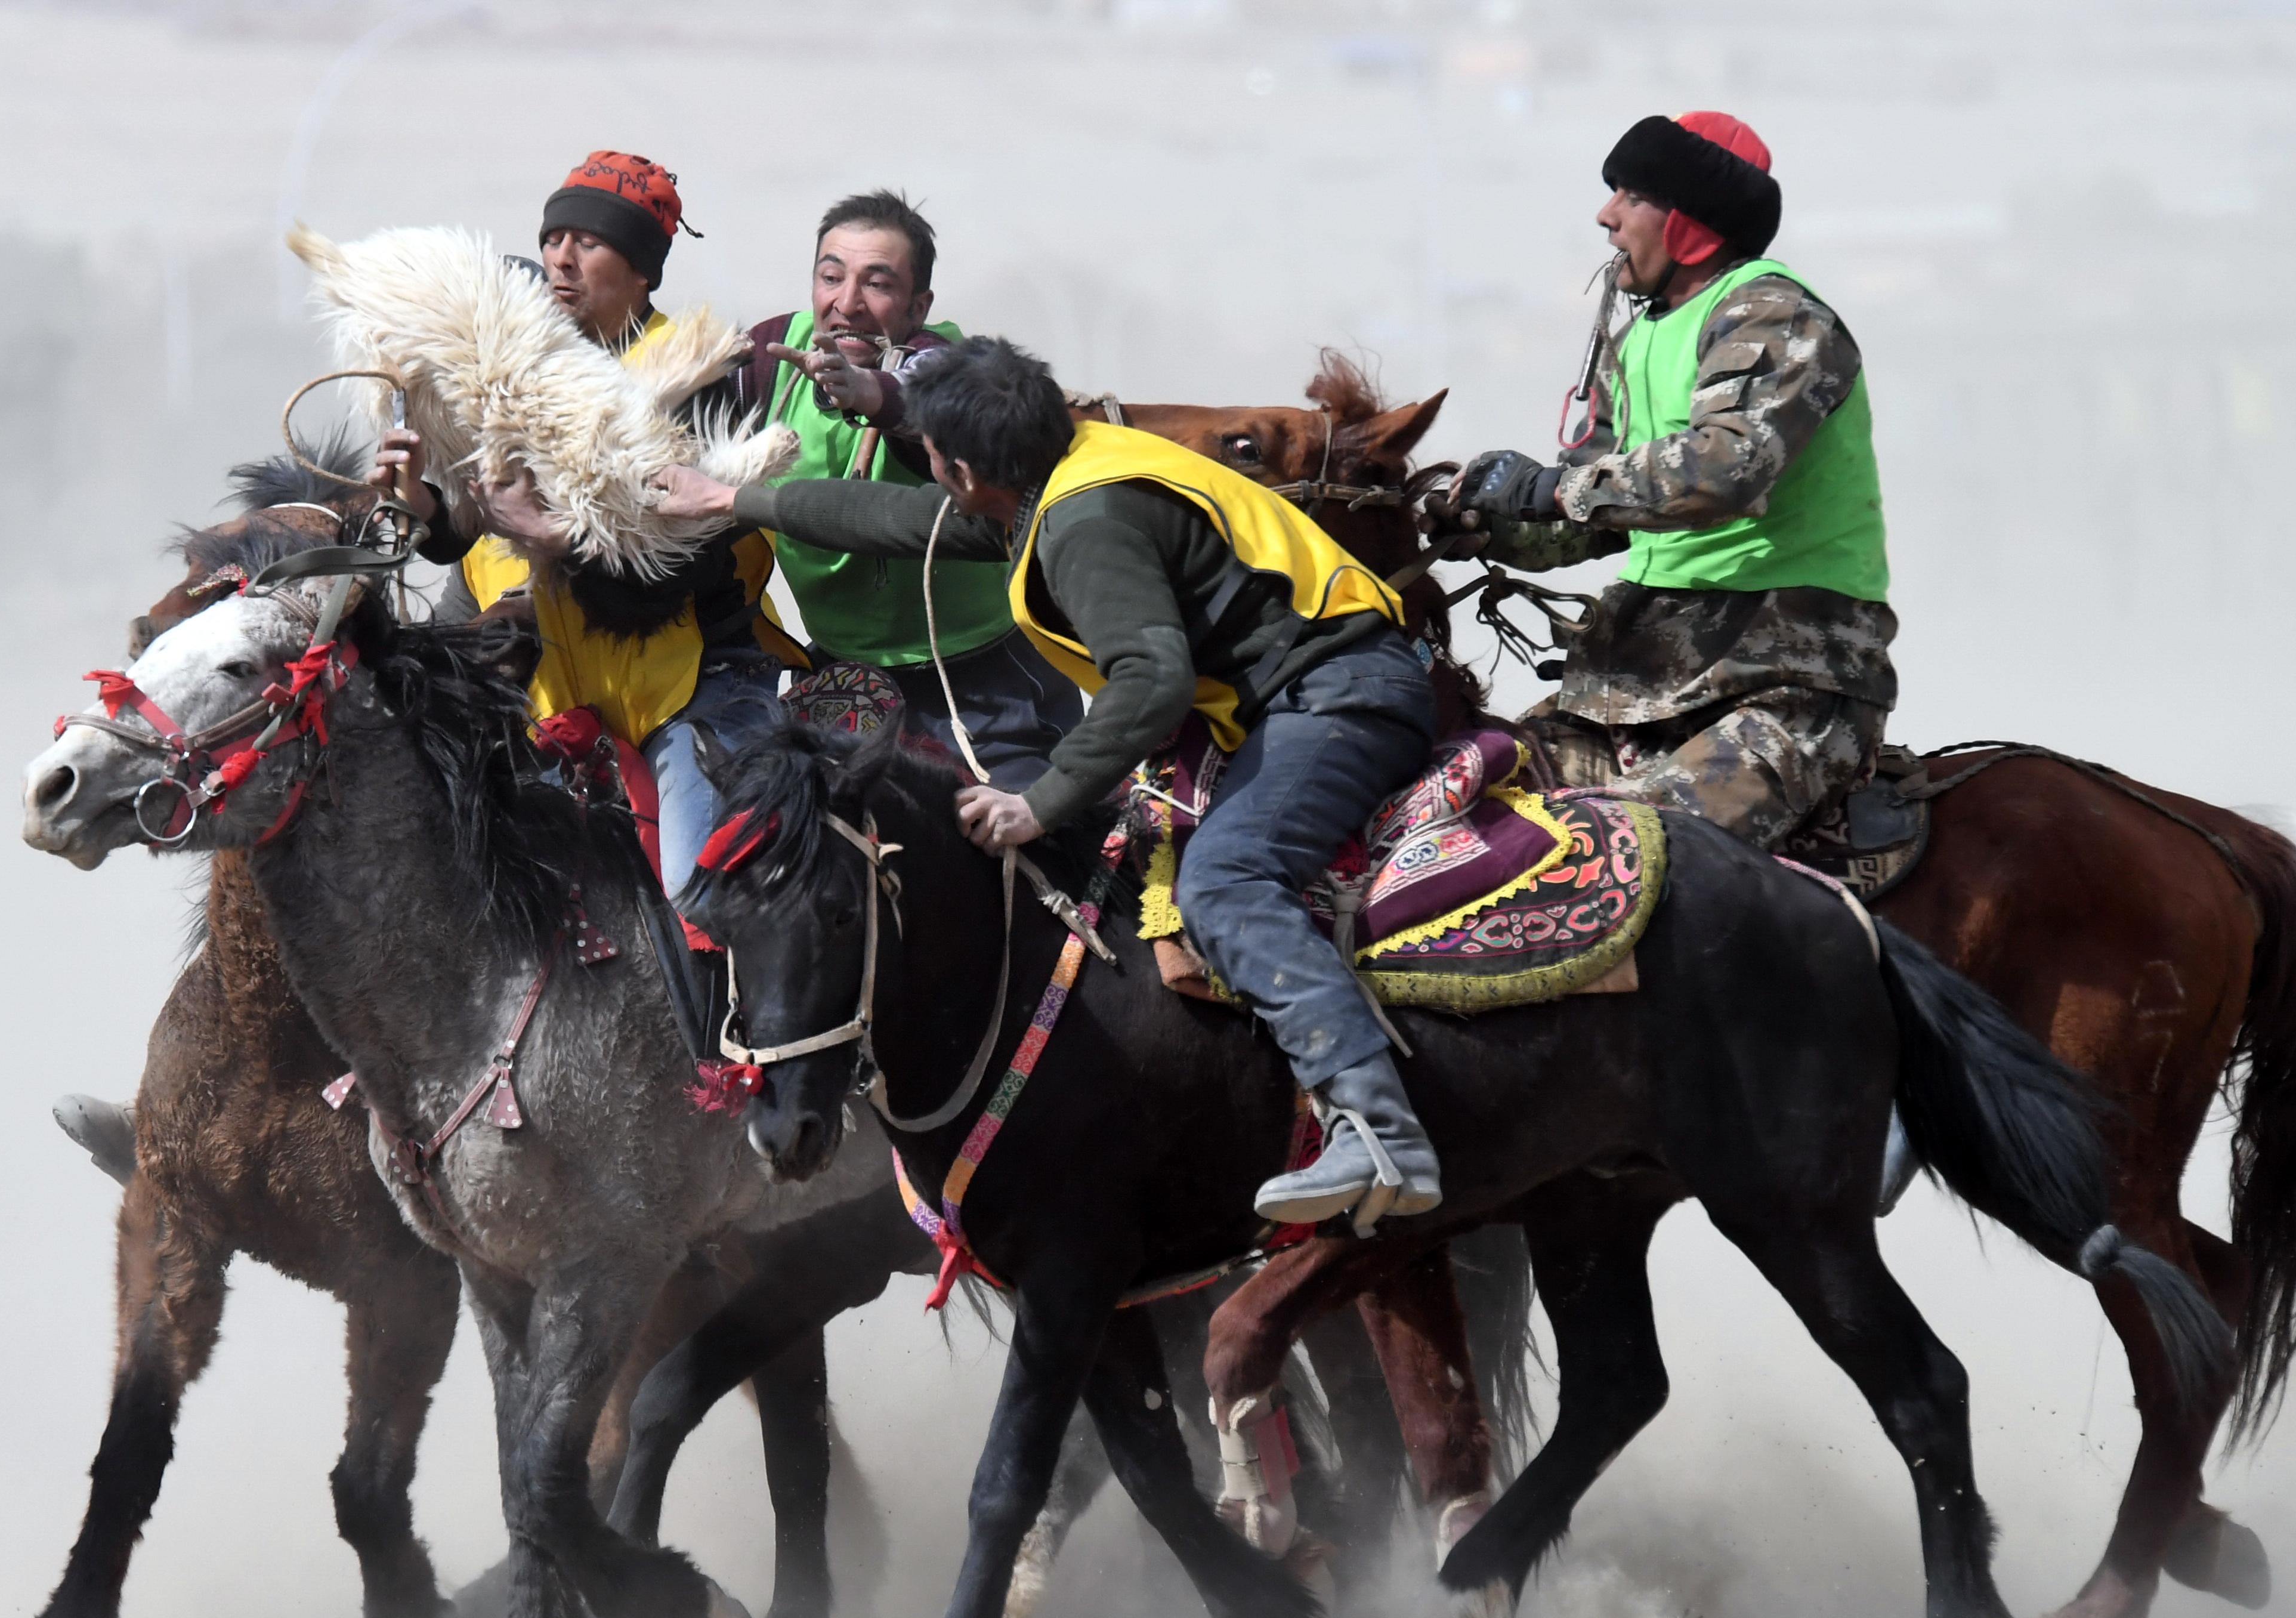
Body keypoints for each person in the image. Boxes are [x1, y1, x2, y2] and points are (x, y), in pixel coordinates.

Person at [652, 336, 1444, 1233]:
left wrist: (1041, 797)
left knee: (1223, 882)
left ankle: (1377, 1126)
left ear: (955, 466)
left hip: (1336, 698)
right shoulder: (1062, 471)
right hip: (1298, 697)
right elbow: (895, 520)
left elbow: (1150, 678)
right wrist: (733, 498)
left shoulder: (1083, 523)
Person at [1442, 110, 1894, 851]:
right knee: (1451, 818)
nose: (1605, 215)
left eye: (1629, 195)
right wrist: (1470, 522)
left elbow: (1722, 469)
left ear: (1688, 223)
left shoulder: (1772, 314)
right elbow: (1601, 509)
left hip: (1781, 685)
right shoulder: (1641, 338)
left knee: (1622, 862)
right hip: (1636, 685)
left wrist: (1545, 487)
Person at [369, 150, 799, 901]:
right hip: (554, 695)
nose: (561, 260)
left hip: (696, 685)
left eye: (591, 243)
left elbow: (686, 561)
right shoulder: (511, 371)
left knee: (697, 898)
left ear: (642, 271)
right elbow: (475, 534)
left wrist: (555, 538)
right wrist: (423, 504)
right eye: (553, 238)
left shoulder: (694, 371)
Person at [706, 189, 1082, 791]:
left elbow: (921, 403)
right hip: (842, 674)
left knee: (1030, 843)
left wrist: (867, 395)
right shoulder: (768, 360)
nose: (846, 303)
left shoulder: (952, 364)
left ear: (917, 306)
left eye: (877, 285)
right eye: (831, 277)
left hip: (981, 681)